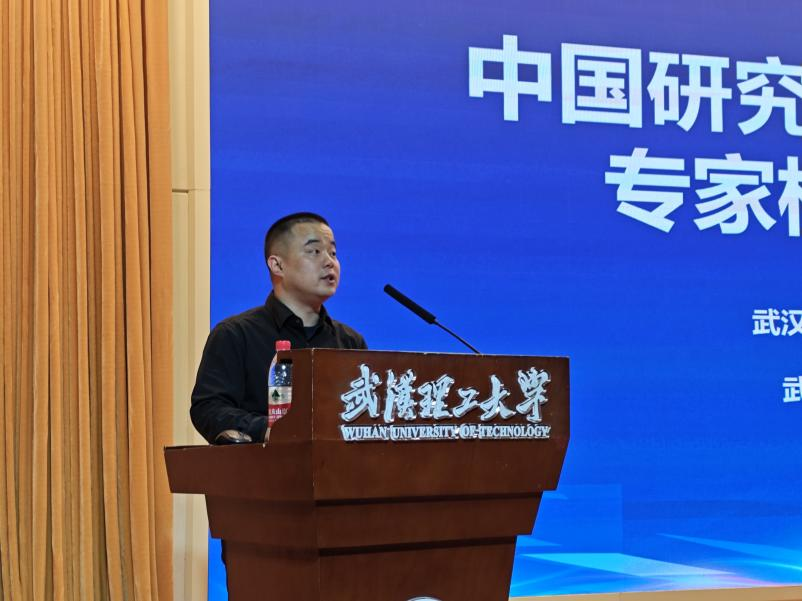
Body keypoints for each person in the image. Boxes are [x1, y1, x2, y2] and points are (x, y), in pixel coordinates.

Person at [190, 212, 367, 443]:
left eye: (333, 253)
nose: (329, 262)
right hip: (262, 463)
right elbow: (208, 408)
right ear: (277, 265)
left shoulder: (350, 342)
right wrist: (271, 430)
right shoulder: (236, 334)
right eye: (314, 251)